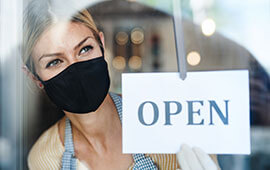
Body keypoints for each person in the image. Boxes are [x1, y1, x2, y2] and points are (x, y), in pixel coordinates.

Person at [22, 0, 220, 169]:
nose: (75, 67)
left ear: (101, 43)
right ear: (34, 77)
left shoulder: (164, 122)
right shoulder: (44, 158)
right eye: (54, 62)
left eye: (84, 49)